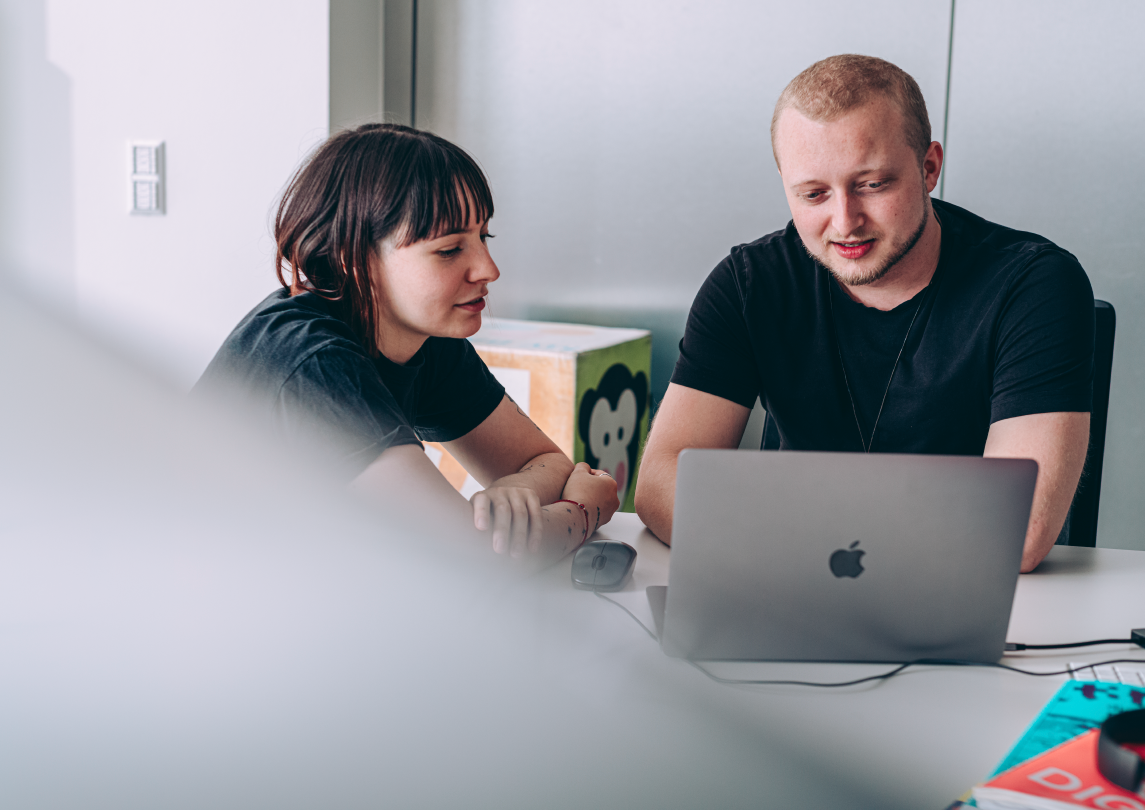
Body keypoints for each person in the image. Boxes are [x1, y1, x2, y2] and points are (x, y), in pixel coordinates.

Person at [634, 55, 1094, 573]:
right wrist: (831, 545)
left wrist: (773, 525)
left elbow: (1018, 529)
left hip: (962, 595)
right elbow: (659, 485)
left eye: (872, 184)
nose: (844, 221)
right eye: (813, 194)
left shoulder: (1033, 285)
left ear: (929, 167)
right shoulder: (749, 283)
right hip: (791, 587)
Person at [195, 123, 619, 565]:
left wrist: (521, 486)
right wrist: (582, 509)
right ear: (354, 257)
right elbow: (464, 566)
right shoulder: (313, 362)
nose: (488, 269)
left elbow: (541, 460)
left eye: (483, 237)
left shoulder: (423, 336)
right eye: (450, 249)